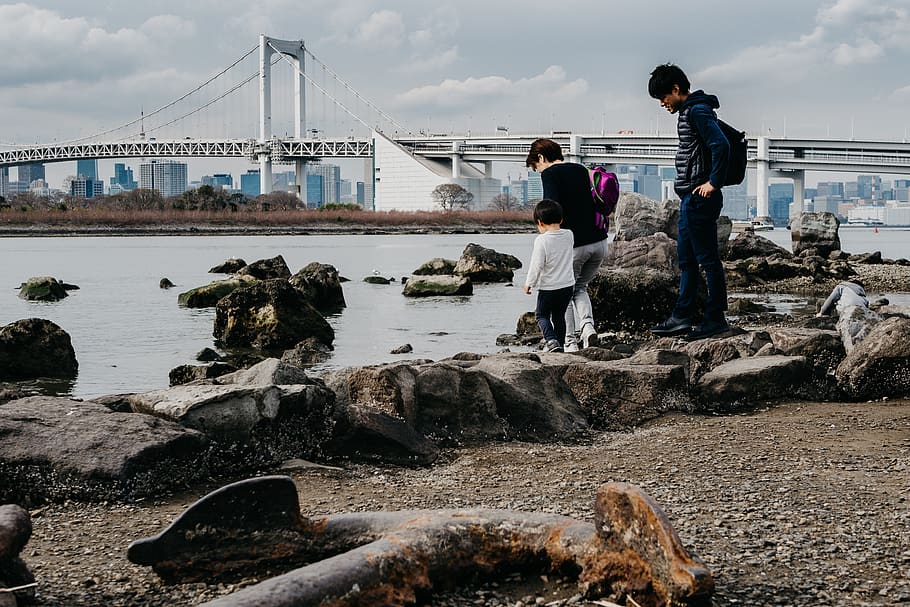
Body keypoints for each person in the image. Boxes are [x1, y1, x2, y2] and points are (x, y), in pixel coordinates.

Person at [647, 63, 731, 340]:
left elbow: (721, 145)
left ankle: (715, 319)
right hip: (689, 198)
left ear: (675, 89)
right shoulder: (689, 112)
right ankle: (681, 317)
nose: (662, 104)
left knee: (707, 260)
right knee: (686, 260)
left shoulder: (697, 111)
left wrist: (713, 183)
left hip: (700, 197)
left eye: (663, 98)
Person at [526, 138, 608, 351]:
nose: (539, 170)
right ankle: (588, 328)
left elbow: (550, 208)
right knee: (579, 287)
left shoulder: (550, 174)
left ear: (541, 158)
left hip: (576, 245)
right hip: (599, 241)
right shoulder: (580, 169)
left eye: (536, 166)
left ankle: (569, 342)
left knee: (566, 291)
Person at [524, 198, 576, 352]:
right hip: (567, 285)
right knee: (559, 316)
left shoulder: (541, 240)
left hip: (548, 287)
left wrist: (529, 283)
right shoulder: (569, 235)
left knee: (541, 315)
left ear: (540, 223)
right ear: (561, 219)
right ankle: (559, 344)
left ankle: (552, 341)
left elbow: (537, 265)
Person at [816, 280, 880, 353]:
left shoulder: (842, 286)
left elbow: (830, 299)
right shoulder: (864, 297)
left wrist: (821, 312)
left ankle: (820, 319)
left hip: (844, 311)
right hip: (856, 314)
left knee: (820, 301)